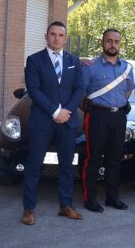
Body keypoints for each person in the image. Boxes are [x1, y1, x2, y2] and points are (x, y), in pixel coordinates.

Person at [21, 21, 85, 225]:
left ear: (65, 38)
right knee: (34, 166)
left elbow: (79, 89)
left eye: (60, 35)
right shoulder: (34, 60)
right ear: (46, 36)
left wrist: (65, 112)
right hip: (42, 121)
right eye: (53, 34)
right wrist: (55, 111)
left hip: (67, 121)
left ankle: (65, 205)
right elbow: (34, 89)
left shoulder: (74, 61)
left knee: (66, 165)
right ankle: (29, 209)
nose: (56, 38)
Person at [82, 29, 134, 213]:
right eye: (109, 41)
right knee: (93, 159)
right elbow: (81, 94)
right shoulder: (90, 66)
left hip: (119, 117)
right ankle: (90, 199)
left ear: (120, 44)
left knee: (114, 159)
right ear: (102, 42)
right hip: (97, 116)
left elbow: (127, 92)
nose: (113, 44)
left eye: (116, 41)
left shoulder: (126, 68)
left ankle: (113, 198)